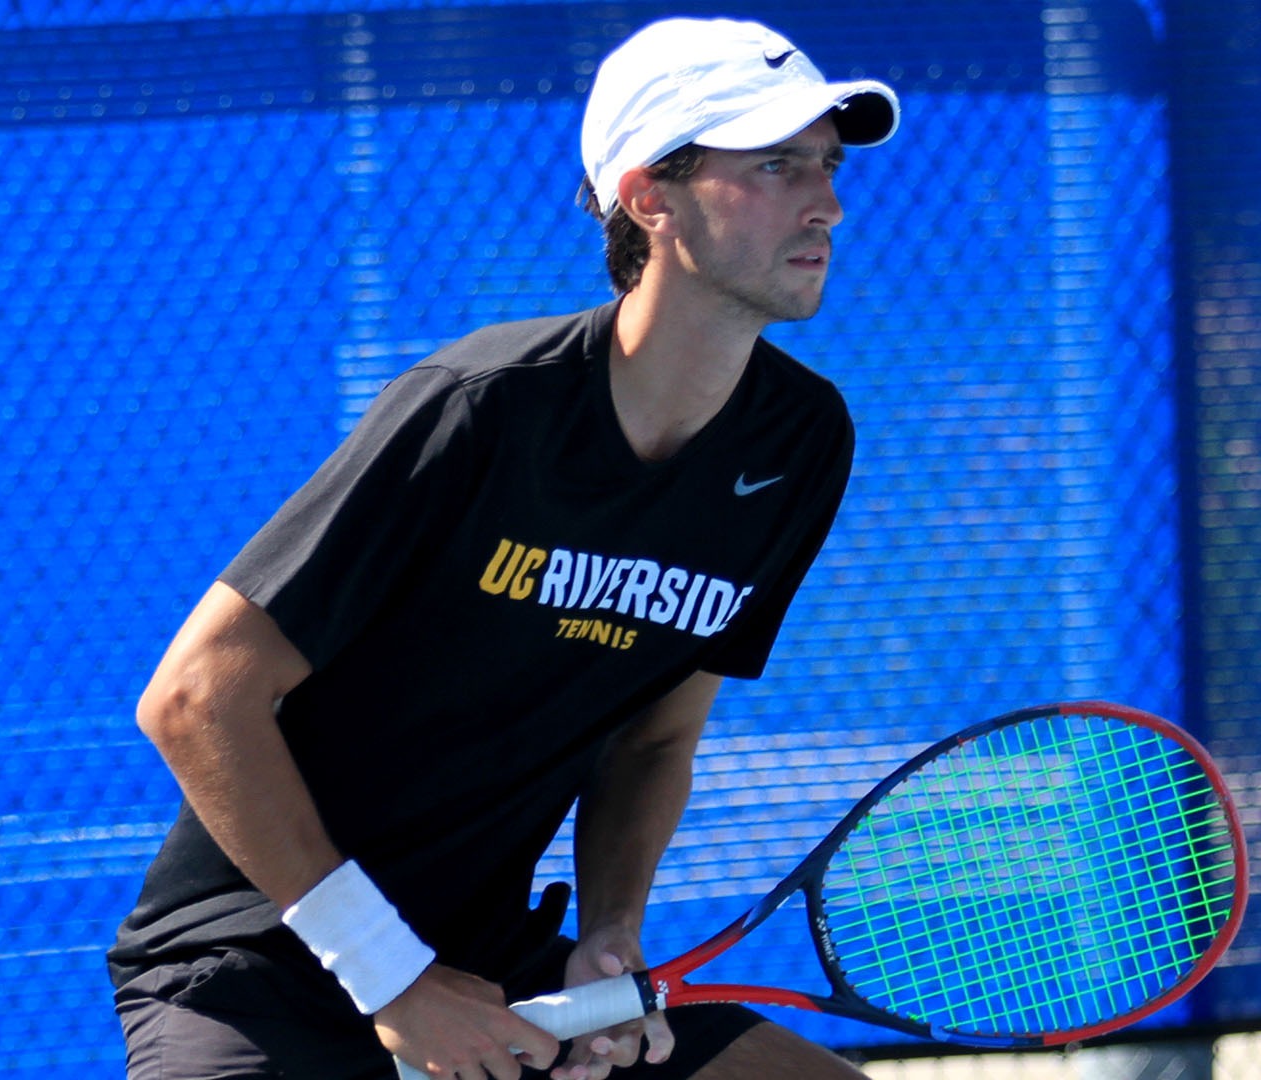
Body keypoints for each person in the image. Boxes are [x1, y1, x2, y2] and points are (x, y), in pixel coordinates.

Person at [106, 16, 901, 1080]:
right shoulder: (479, 408)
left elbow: (655, 740)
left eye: (826, 164)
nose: (826, 201)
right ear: (648, 196)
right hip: (257, 957)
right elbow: (197, 698)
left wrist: (610, 938)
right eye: (773, 164)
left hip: (488, 955)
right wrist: (391, 978)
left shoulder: (799, 442)